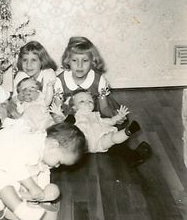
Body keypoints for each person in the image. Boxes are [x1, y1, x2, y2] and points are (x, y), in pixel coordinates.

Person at [0, 120, 86, 220]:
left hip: (2, 165)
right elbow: (16, 167)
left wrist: (41, 192)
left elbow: (40, 171)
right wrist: (32, 187)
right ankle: (25, 215)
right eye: (59, 161)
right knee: (5, 186)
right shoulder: (32, 147)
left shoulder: (42, 147)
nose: (57, 166)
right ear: (53, 145)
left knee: (7, 195)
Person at [54, 36, 152, 166]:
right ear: (68, 61)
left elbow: (104, 108)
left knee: (113, 133)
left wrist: (115, 117)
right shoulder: (60, 81)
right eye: (74, 60)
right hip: (72, 117)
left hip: (95, 116)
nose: (79, 65)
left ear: (92, 61)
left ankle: (131, 155)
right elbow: (56, 111)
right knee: (61, 140)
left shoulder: (98, 80)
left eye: (85, 60)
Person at [69, 90, 142, 152]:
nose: (87, 102)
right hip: (84, 142)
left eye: (90, 101)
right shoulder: (74, 117)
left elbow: (110, 121)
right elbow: (65, 128)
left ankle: (128, 131)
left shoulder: (96, 115)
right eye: (82, 101)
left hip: (100, 140)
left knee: (112, 138)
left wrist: (119, 116)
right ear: (74, 107)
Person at [13, 41, 57, 107]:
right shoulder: (20, 74)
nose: (28, 65)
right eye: (25, 60)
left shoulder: (48, 73)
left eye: (33, 60)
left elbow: (49, 101)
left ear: (42, 60)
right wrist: (19, 97)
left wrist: (37, 96)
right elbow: (14, 100)